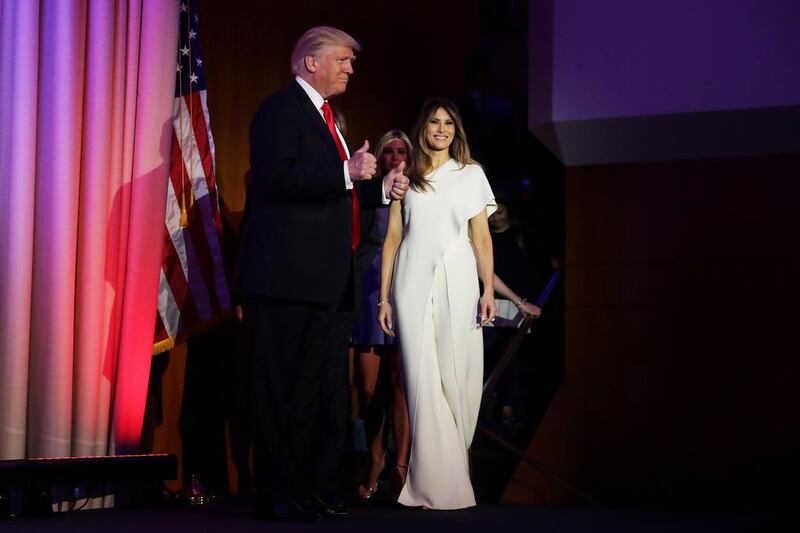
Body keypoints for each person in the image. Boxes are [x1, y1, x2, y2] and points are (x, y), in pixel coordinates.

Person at [239, 26, 408, 523]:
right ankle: (276, 493)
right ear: (310, 62)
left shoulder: (329, 117)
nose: (350, 69)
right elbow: (278, 178)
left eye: (351, 63)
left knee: (322, 392)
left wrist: (379, 191)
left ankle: (311, 487)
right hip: (286, 281)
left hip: (330, 283)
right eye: (342, 60)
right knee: (282, 389)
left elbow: (337, 196)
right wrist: (346, 173)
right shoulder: (279, 110)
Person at [378, 98, 496, 510]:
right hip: (410, 277)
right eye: (434, 122)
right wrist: (383, 297)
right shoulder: (405, 174)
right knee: (420, 378)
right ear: (423, 128)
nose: (441, 129)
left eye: (448, 123)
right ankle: (431, 483)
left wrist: (487, 289)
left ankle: (454, 470)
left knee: (456, 375)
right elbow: (392, 238)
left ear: (456, 130)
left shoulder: (471, 174)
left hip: (458, 275)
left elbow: (481, 236)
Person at [351, 131, 413, 499]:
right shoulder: (371, 192)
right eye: (387, 150)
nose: (393, 156)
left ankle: (401, 464)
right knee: (368, 385)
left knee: (401, 385)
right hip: (369, 291)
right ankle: (375, 457)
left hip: (404, 290)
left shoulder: (419, 192)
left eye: (400, 150)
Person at [483, 196, 543, 429]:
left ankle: (507, 403)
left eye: (500, 212)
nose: (496, 218)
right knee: (487, 351)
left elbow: (532, 267)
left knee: (509, 354)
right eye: (492, 214)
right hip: (489, 301)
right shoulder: (484, 238)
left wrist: (526, 299)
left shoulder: (520, 236)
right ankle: (486, 401)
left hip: (516, 302)